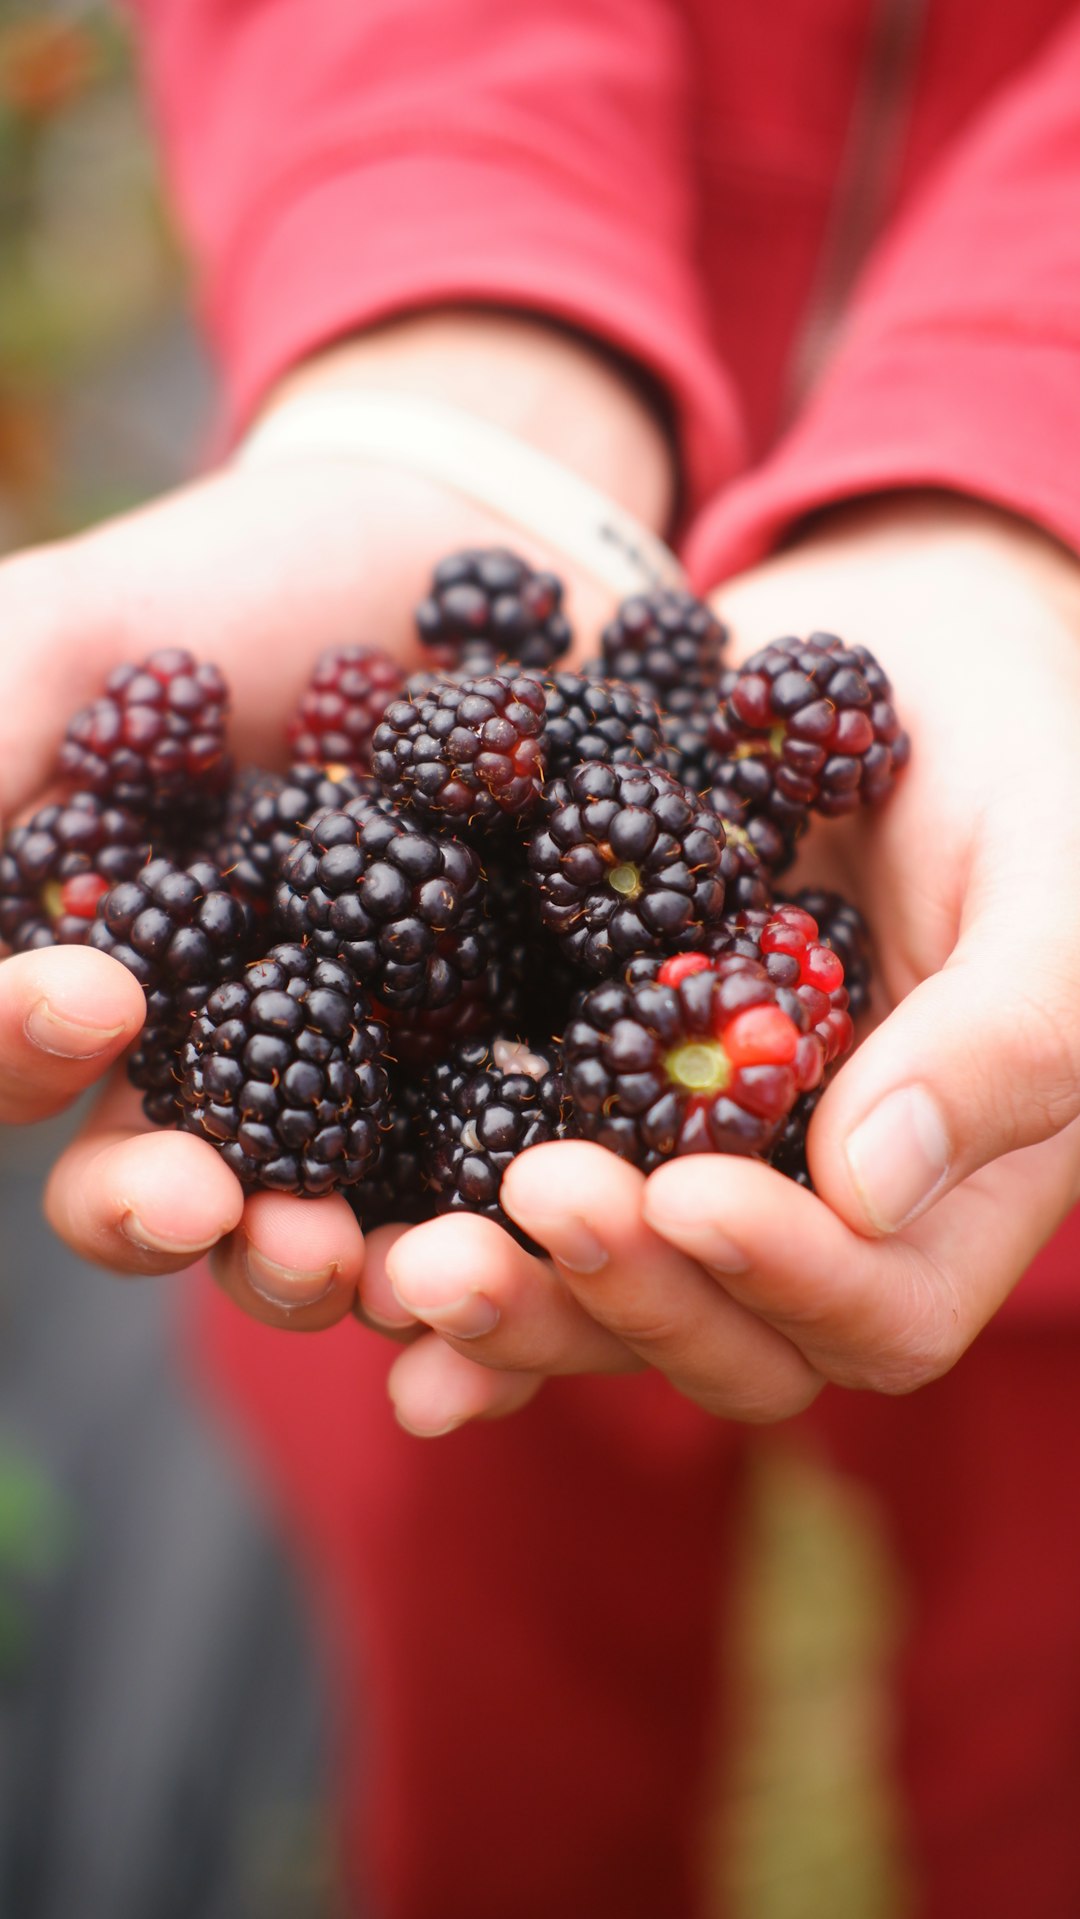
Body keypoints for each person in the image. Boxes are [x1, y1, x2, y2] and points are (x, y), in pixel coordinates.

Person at [2, 0, 1080, 1912]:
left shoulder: (685, 871)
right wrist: (461, 381)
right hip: (461, 1243)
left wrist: (1019, 478)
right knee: (481, 1700)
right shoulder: (468, 866)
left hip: (1007, 1017)